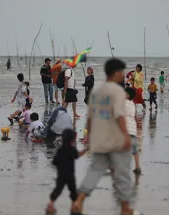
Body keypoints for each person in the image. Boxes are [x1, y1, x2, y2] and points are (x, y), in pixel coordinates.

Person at [72, 58, 137, 215]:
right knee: (122, 173)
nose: (123, 75)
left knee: (94, 170)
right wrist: (126, 137)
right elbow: (119, 116)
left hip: (99, 138)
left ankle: (79, 201)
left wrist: (88, 137)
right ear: (115, 73)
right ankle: (125, 208)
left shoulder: (96, 91)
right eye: (121, 72)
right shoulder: (118, 91)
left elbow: (89, 117)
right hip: (116, 139)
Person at [46, 129, 88, 214]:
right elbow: (77, 156)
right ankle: (74, 206)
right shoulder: (71, 149)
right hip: (70, 175)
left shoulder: (60, 150)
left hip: (61, 174)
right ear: (72, 139)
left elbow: (54, 162)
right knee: (73, 191)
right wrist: (85, 150)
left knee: (58, 189)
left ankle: (51, 205)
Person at [125, 87, 141, 175]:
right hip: (133, 130)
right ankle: (137, 166)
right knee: (134, 150)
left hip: (126, 130)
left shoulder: (125, 103)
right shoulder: (132, 104)